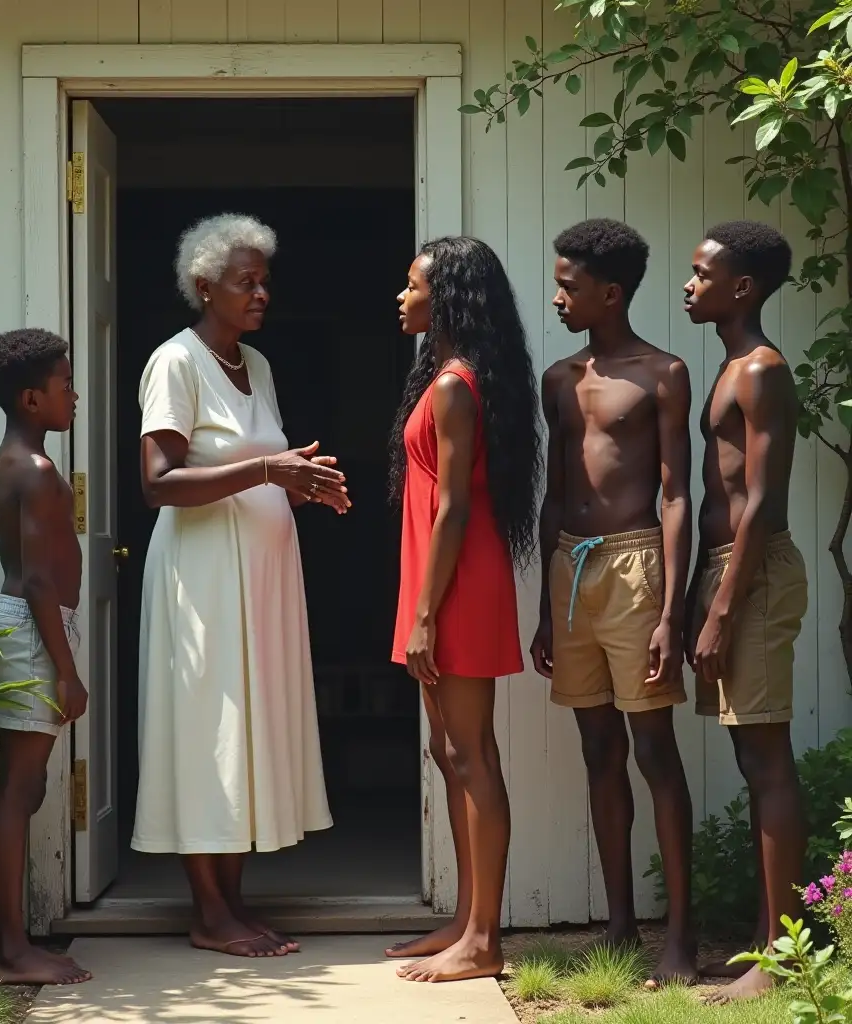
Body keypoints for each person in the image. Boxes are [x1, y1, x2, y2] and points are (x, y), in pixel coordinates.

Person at [131, 213, 349, 959]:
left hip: (260, 581)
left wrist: (303, 485)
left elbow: (268, 464)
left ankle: (233, 902)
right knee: (206, 731)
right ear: (204, 287)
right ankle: (207, 911)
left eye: (264, 280)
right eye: (245, 281)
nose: (261, 293)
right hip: (201, 580)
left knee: (246, 730)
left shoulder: (255, 366)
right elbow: (159, 484)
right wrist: (266, 472)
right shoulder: (176, 363)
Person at [531, 219, 696, 986]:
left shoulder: (663, 373)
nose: (558, 296)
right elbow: (554, 493)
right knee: (599, 749)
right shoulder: (559, 379)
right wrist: (542, 603)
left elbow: (674, 495)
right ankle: (621, 921)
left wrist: (670, 610)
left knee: (655, 750)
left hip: (636, 570)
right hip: (572, 571)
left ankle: (681, 936)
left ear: (611, 292)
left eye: (569, 285)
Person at [386, 236, 542, 983]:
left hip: (456, 583)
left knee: (472, 755)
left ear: (446, 298)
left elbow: (452, 510)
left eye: (413, 286)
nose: (402, 296)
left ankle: (485, 939)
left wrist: (424, 614)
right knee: (448, 754)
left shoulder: (454, 384)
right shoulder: (445, 375)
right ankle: (465, 919)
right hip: (436, 579)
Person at [683, 221, 808, 1003]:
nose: (690, 285)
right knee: (751, 758)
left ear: (743, 288)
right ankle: (770, 944)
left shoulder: (761, 371)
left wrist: (723, 609)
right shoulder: (731, 365)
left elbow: (761, 504)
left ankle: (781, 962)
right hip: (730, 573)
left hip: (752, 576)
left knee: (768, 761)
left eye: (703, 275)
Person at [0, 328, 91, 986]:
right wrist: (67, 671)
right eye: (64, 385)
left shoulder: (9, 460)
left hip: (22, 627)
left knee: (18, 790)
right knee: (20, 792)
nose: (73, 395)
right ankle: (15, 950)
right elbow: (43, 579)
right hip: (33, 632)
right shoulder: (40, 472)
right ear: (30, 398)